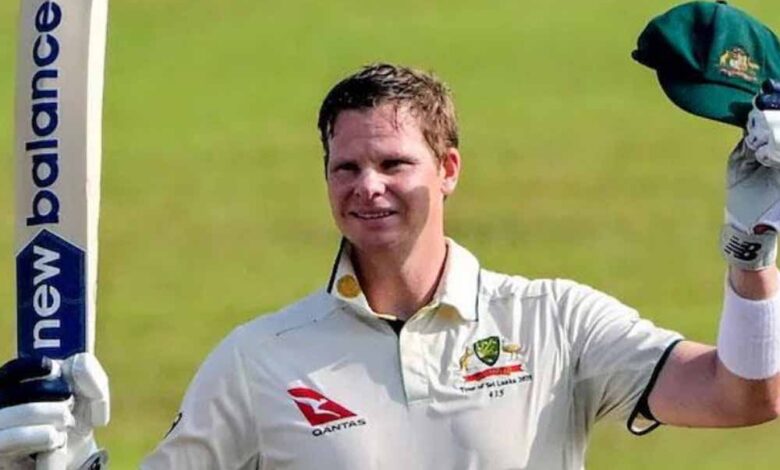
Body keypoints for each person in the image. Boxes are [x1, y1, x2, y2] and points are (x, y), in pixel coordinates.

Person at [2, 60, 780, 469]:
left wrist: (750, 253)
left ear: (448, 169)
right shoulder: (257, 361)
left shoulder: (554, 321)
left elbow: (743, 396)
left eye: (393, 164)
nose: (367, 187)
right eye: (345, 167)